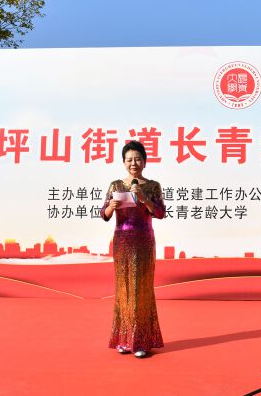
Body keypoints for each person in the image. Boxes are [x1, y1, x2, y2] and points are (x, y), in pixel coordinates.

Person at [101, 140, 166, 358]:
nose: (133, 163)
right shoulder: (115, 185)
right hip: (122, 242)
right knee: (123, 289)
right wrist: (111, 207)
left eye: (138, 159)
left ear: (145, 162)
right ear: (124, 162)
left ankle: (140, 342)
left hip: (144, 242)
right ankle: (123, 339)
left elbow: (160, 213)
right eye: (129, 159)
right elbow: (104, 214)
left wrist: (145, 199)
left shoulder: (153, 185)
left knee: (141, 290)